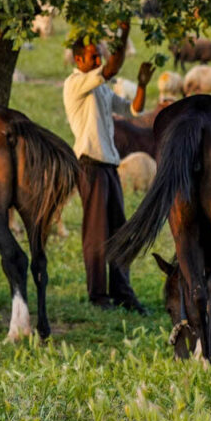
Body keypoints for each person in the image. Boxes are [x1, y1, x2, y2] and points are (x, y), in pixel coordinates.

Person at [63, 22, 153, 314]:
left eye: (99, 55)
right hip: (90, 164)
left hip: (110, 165)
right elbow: (111, 69)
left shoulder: (100, 89)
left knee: (119, 232)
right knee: (96, 233)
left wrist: (142, 85)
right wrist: (124, 36)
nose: (98, 61)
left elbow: (132, 109)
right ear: (79, 61)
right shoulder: (76, 83)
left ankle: (122, 292)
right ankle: (98, 295)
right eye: (93, 57)